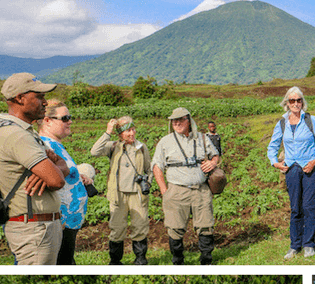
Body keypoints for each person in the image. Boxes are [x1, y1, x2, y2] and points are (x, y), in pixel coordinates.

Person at [0, 72, 67, 265]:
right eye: (39, 96)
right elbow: (57, 180)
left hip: (39, 226)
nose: (45, 102)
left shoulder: (24, 132)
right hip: (34, 229)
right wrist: (50, 171)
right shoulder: (17, 136)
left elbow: (63, 166)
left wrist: (48, 170)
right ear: (20, 98)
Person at [267, 86, 315, 260]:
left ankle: (309, 244)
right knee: (295, 208)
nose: (295, 103)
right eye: (292, 101)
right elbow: (272, 146)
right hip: (292, 169)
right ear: (287, 103)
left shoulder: (311, 120)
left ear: (302, 102)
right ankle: (294, 245)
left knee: (309, 206)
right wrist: (275, 163)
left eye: (298, 100)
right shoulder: (282, 123)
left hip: (311, 168)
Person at [152, 107, 220, 265]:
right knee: (174, 228)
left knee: (206, 226)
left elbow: (215, 155)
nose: (176, 123)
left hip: (201, 189)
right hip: (176, 191)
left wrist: (213, 162)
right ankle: (178, 262)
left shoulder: (202, 138)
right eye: (174, 120)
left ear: (188, 120)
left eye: (180, 119)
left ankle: (206, 261)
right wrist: (164, 191)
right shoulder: (165, 142)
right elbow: (157, 166)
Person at [91, 116, 152, 265]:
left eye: (133, 129)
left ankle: (140, 260)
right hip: (118, 195)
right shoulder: (112, 146)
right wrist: (107, 132)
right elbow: (94, 152)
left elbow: (149, 169)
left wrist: (147, 183)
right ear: (120, 134)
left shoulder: (142, 147)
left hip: (137, 195)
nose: (132, 133)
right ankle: (115, 262)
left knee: (140, 226)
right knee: (117, 228)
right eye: (127, 131)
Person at [38, 99, 90, 265]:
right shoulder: (45, 146)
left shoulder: (55, 144)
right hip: (60, 223)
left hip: (68, 222)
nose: (70, 121)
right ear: (47, 121)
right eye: (65, 118)